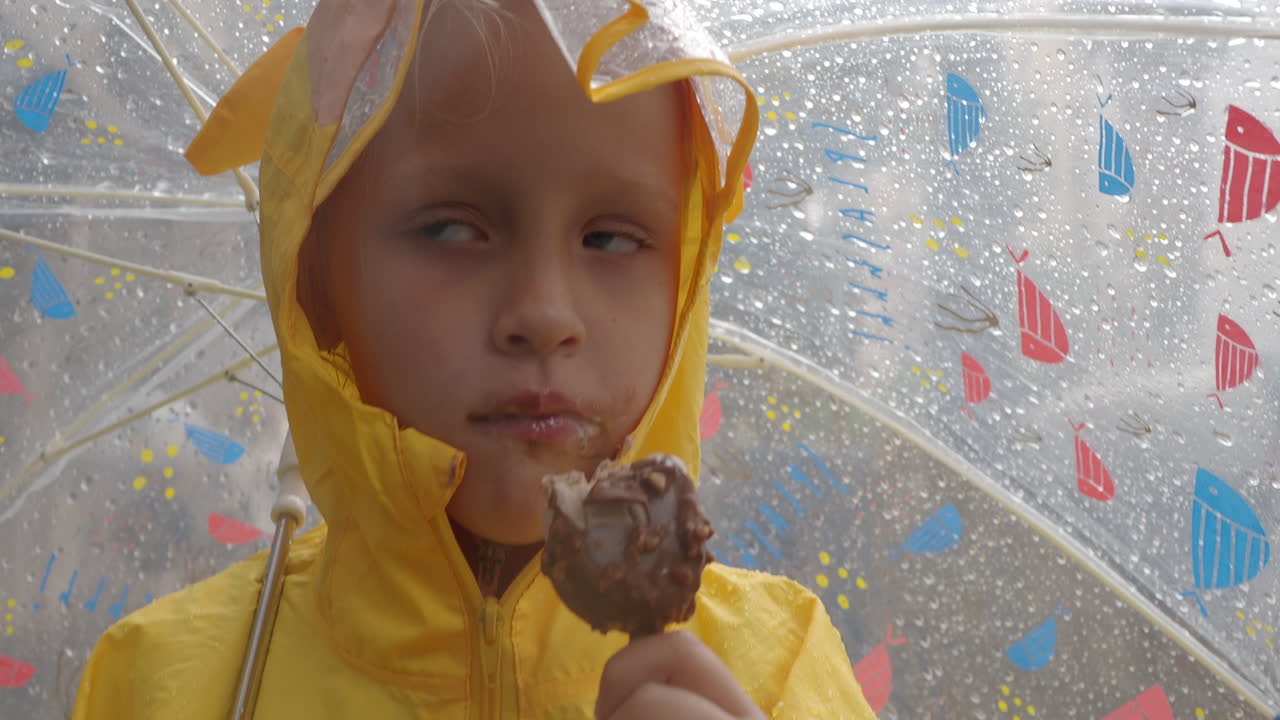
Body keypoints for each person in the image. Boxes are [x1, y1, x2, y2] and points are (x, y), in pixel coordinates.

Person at [71, 1, 877, 717]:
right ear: (315, 284)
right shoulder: (169, 683)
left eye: (611, 237)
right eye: (453, 229)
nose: (544, 314)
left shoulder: (776, 674)